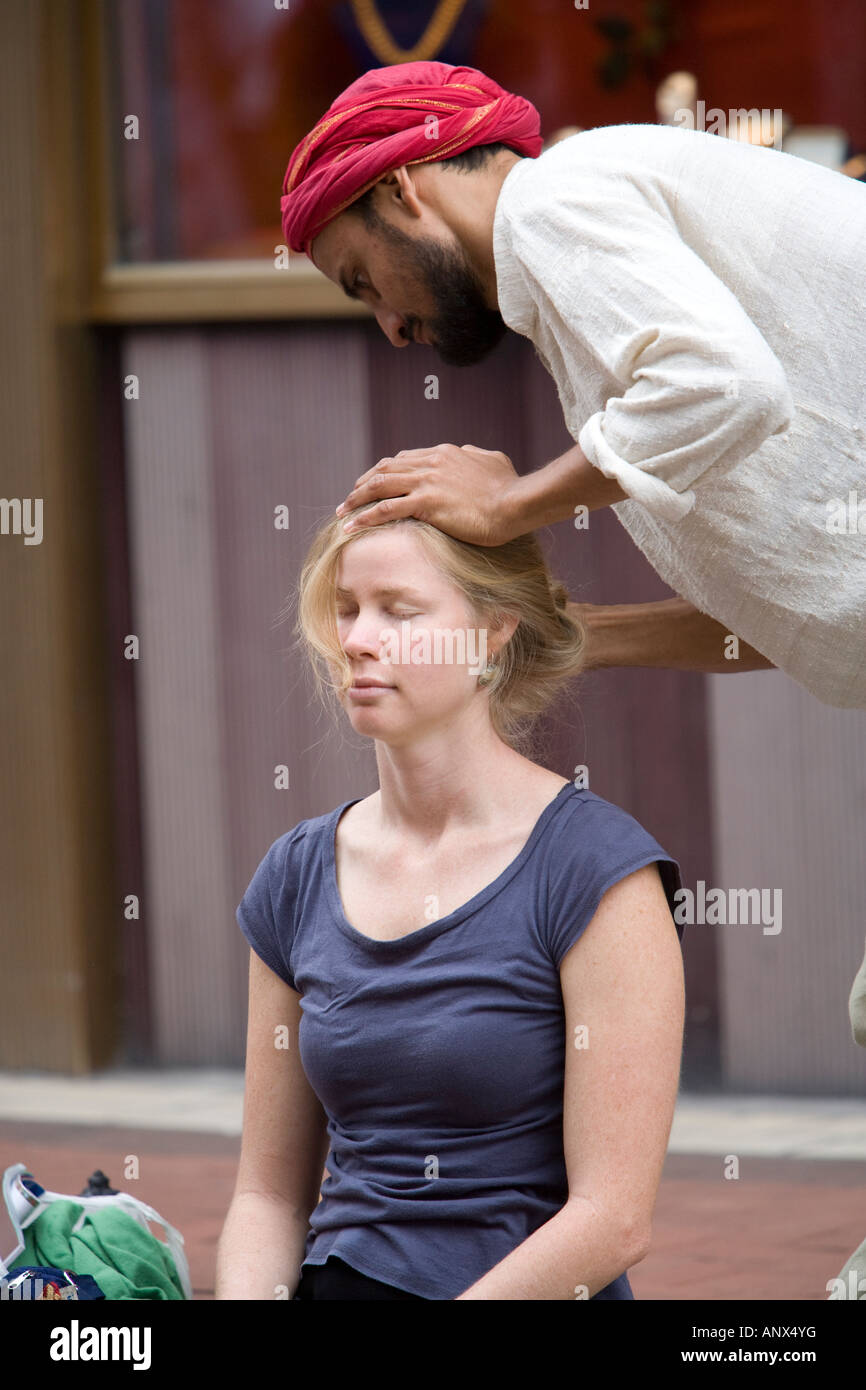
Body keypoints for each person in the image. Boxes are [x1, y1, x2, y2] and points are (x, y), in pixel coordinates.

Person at [280, 60, 866, 710]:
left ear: (399, 188)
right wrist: (573, 638)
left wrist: (508, 506)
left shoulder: (551, 200)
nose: (389, 328)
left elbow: (727, 388)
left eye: (362, 279)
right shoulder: (567, 272)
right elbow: (808, 611)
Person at [214, 505, 686, 1300]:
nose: (358, 639)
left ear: (493, 633)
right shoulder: (297, 872)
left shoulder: (594, 868)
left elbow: (613, 1219)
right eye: (346, 609)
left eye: (399, 611)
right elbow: (267, 1195)